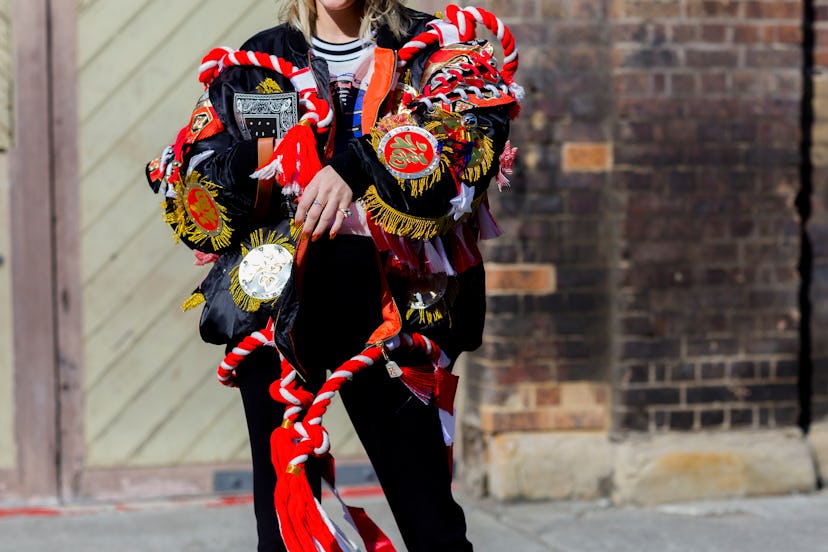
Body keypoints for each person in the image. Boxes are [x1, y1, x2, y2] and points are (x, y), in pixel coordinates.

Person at [145, 0, 520, 550]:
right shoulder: (257, 60)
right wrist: (276, 158)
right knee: (280, 527)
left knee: (430, 522)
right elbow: (193, 187)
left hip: (396, 315)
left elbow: (469, 141)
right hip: (279, 309)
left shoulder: (436, 45)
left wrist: (356, 167)